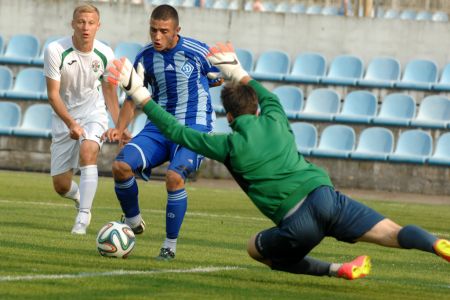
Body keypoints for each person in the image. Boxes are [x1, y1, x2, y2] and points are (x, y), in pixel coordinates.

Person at [107, 42, 450, 279]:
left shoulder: (228, 144)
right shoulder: (274, 114)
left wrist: (141, 96)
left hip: (296, 221)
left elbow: (176, 131)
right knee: (393, 231)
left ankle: (336, 269)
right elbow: (261, 89)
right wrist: (238, 71)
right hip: (325, 196)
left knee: (257, 249)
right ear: (256, 106)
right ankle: (436, 243)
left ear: (229, 116)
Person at [103, 4, 222, 260]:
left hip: (194, 127)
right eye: (153, 30)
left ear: (176, 30)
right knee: (120, 167)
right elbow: (133, 97)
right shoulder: (145, 57)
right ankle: (134, 221)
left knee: (173, 177)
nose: (157, 36)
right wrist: (120, 129)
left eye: (163, 31)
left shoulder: (196, 51)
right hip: (158, 128)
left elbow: (218, 77)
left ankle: (169, 246)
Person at [44, 4, 120, 235]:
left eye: (91, 23)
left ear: (98, 26)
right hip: (64, 118)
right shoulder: (55, 50)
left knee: (89, 151)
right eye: (81, 22)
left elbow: (109, 91)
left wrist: (119, 126)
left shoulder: (106, 53)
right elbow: (52, 94)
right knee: (61, 185)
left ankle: (83, 217)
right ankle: (79, 196)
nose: (85, 28)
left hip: (92, 113)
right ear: (73, 24)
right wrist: (70, 123)